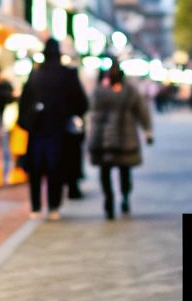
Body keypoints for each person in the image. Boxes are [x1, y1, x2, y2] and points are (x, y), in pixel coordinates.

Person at [16, 38, 89, 220]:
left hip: (37, 130)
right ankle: (53, 206)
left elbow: (23, 104)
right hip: (59, 131)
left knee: (36, 170)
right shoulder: (68, 75)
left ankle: (35, 207)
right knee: (56, 169)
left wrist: (27, 123)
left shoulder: (35, 75)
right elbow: (82, 103)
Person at [88, 68, 154, 219]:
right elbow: (142, 111)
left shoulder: (99, 92)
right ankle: (124, 197)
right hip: (125, 136)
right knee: (124, 170)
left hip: (103, 137)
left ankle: (109, 200)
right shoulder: (130, 92)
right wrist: (147, 131)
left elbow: (90, 111)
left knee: (105, 171)